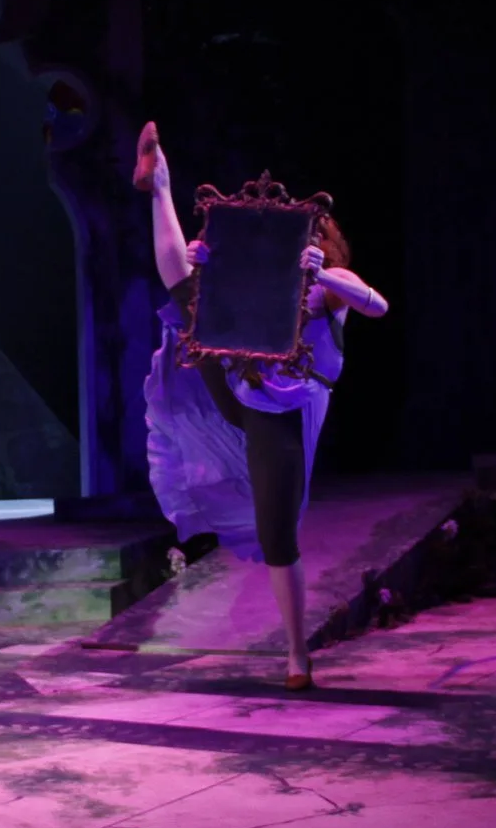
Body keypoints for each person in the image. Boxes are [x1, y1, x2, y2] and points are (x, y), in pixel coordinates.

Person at [133, 123, 389, 688]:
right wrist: (204, 260)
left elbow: (379, 306)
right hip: (235, 385)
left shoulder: (328, 284)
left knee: (278, 531)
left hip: (285, 411)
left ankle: (297, 653)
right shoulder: (256, 278)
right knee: (186, 289)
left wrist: (325, 273)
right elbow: (208, 293)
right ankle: (161, 183)